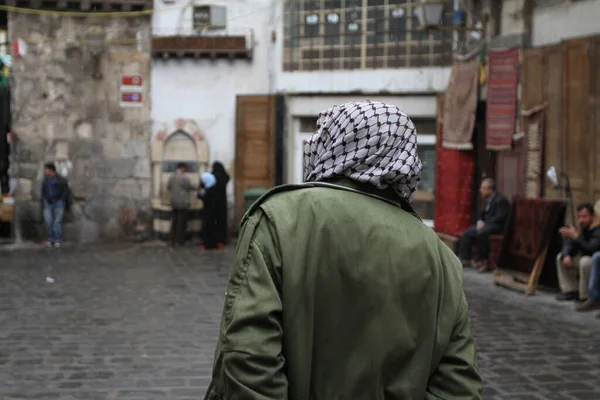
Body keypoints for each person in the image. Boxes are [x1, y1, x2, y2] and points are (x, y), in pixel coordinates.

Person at [203, 101, 482, 399]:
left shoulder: (278, 219)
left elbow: (248, 359)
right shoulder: (441, 258)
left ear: (333, 143)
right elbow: (458, 387)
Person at [457, 178, 509, 272]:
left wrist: (485, 224)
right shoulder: (487, 199)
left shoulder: (500, 200)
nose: (481, 190)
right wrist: (480, 222)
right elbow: (483, 215)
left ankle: (483, 260)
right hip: (487, 225)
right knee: (468, 232)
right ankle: (465, 259)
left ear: (490, 189)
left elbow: (500, 217)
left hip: (497, 226)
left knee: (482, 233)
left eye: (483, 188)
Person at [557, 202, 600, 302]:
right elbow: (569, 244)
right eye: (579, 217)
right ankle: (570, 290)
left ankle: (584, 296)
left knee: (584, 261)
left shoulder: (598, 229)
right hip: (584, 256)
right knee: (560, 257)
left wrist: (576, 237)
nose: (581, 220)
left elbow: (591, 249)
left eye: (584, 216)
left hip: (594, 259)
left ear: (592, 216)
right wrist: (566, 254)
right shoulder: (581, 226)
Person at [166, 162, 197, 247]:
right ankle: (180, 241)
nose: (186, 170)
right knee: (181, 223)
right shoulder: (183, 177)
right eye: (185, 168)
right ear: (182, 168)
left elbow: (168, 187)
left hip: (174, 202)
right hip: (183, 203)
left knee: (174, 222)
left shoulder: (171, 177)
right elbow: (191, 186)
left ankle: (171, 240)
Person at [41, 162, 69, 248]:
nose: (45, 171)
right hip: (48, 203)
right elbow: (43, 191)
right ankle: (51, 239)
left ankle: (57, 240)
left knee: (57, 222)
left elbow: (65, 190)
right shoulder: (46, 180)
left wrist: (62, 199)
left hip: (58, 203)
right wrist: (45, 198)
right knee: (49, 222)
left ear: (51, 170)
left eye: (46, 170)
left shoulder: (60, 179)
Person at [198, 172, 220, 250]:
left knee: (208, 227)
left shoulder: (209, 189)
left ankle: (208, 244)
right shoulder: (214, 187)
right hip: (214, 210)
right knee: (214, 227)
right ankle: (215, 243)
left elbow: (204, 197)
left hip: (209, 211)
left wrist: (199, 195)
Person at [211, 161, 230, 245]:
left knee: (214, 221)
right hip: (222, 202)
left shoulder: (213, 176)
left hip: (213, 203)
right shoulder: (225, 176)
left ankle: (215, 239)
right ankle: (222, 239)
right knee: (222, 221)